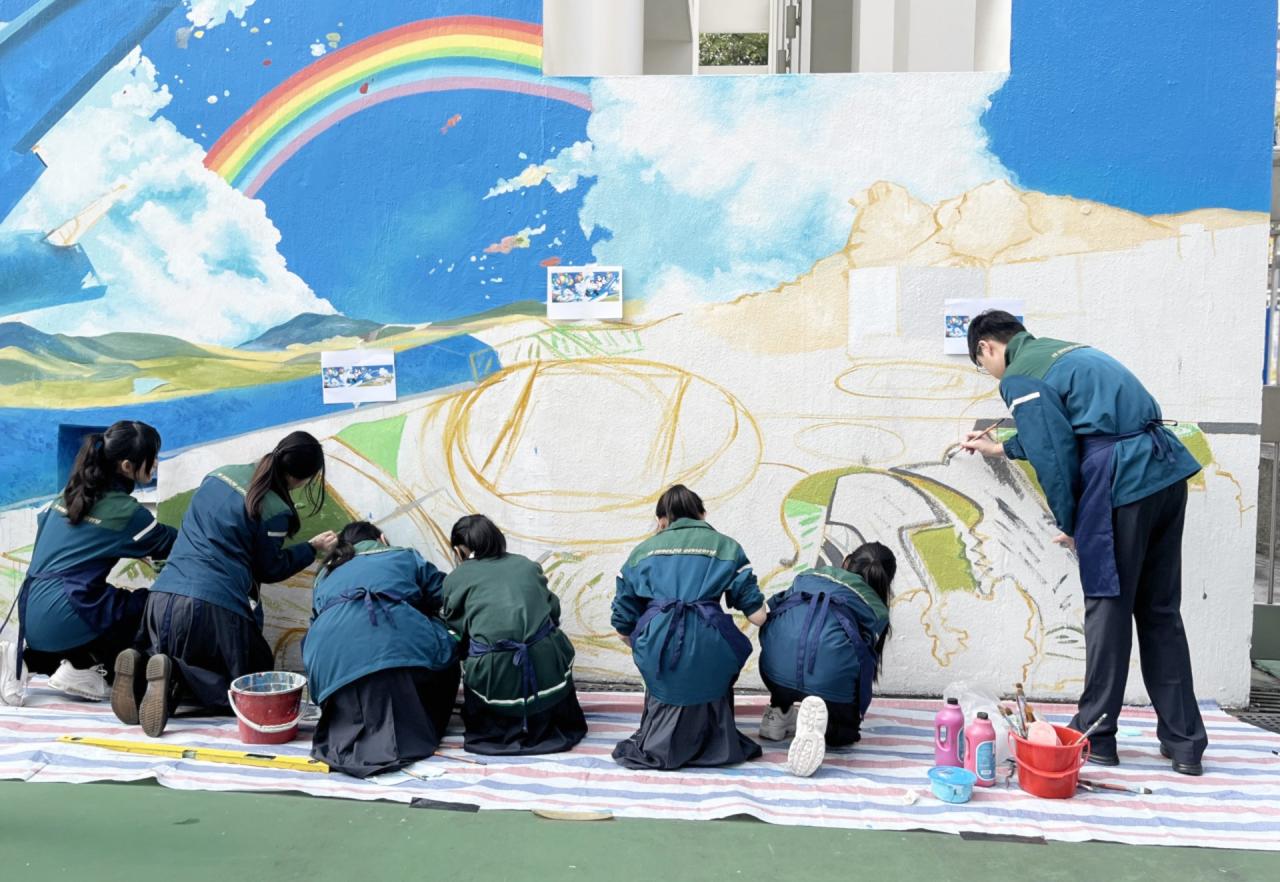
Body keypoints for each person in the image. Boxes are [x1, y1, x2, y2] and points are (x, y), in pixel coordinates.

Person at [960, 310, 1207, 775]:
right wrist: (1004, 445)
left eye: (982, 364)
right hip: (1165, 471)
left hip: (1121, 479)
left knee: (1107, 608)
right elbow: (1070, 428)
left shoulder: (1019, 375)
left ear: (987, 347)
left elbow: (1055, 455)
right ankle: (1185, 743)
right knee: (1159, 612)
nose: (989, 372)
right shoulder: (1064, 352)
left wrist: (1073, 522)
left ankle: (1098, 734)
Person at [113, 431, 337, 737]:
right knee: (248, 684)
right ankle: (175, 673)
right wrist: (311, 548)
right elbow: (270, 568)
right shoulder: (274, 509)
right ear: (303, 479)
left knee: (176, 655)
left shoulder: (218, 476)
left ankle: (143, 669)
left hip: (162, 598)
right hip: (213, 607)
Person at [0, 422, 175, 706]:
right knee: (152, 603)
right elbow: (175, 543)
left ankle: (29, 661)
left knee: (101, 604)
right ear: (127, 466)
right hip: (69, 610)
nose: (156, 463)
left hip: (30, 610)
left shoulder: (68, 495)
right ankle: (90, 667)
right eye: (151, 456)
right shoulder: (127, 512)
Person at [611, 485, 766, 771]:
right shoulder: (727, 547)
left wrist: (644, 643)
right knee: (719, 657)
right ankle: (716, 742)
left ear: (661, 520)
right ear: (702, 514)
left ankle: (662, 740)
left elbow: (622, 626)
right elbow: (758, 616)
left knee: (657, 662)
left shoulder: (642, 552)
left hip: (659, 645)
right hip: (711, 642)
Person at [303, 521, 459, 777]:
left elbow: (316, 621)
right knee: (447, 639)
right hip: (399, 655)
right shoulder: (403, 555)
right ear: (382, 539)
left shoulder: (325, 573)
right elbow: (446, 594)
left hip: (331, 669)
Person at [441, 514, 586, 755]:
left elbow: (456, 630)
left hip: (495, 675)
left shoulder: (456, 578)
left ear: (459, 549)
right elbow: (553, 611)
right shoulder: (527, 566)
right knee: (550, 638)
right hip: (547, 666)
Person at [757, 542, 895, 777]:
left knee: (791, 649)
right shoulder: (876, 609)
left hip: (773, 674)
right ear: (886, 580)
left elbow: (771, 612)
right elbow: (865, 665)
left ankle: (777, 713)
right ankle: (827, 728)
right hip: (830, 687)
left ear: (847, 562)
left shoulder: (806, 578)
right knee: (843, 735)